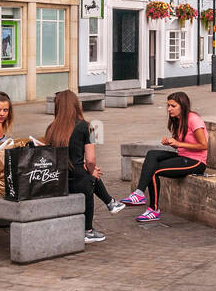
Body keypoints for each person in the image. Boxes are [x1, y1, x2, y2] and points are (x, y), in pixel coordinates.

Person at [44, 90, 125, 243]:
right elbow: (91, 159)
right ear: (76, 105)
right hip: (78, 180)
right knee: (89, 178)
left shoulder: (50, 128)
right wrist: (92, 170)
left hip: (58, 180)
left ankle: (111, 203)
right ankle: (88, 229)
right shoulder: (87, 127)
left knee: (88, 174)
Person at [121, 91, 207, 222]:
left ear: (182, 106)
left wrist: (178, 143)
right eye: (168, 106)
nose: (169, 109)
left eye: (173, 106)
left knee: (154, 171)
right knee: (152, 154)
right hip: (183, 156)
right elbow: (182, 146)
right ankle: (139, 193)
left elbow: (203, 145)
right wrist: (172, 143)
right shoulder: (178, 120)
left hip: (196, 162)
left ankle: (153, 210)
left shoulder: (193, 119)